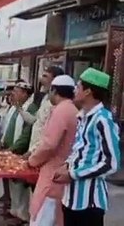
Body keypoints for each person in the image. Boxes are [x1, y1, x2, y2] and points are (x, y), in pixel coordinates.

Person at [54, 68, 120, 226]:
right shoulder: (83, 116)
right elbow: (80, 150)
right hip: (71, 198)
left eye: (78, 86)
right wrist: (66, 165)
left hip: (89, 203)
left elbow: (111, 163)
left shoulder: (103, 119)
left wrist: (73, 174)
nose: (74, 90)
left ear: (88, 91)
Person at [28, 75, 78, 226]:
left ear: (54, 91)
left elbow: (49, 145)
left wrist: (33, 160)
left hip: (52, 174)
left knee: (43, 218)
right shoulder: (73, 110)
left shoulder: (61, 111)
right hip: (63, 173)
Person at [1, 81, 38, 224]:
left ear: (25, 93)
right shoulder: (15, 107)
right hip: (10, 149)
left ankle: (22, 215)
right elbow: (7, 126)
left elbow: (26, 134)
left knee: (21, 184)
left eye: (16, 91)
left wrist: (13, 148)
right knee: (13, 183)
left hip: (21, 151)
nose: (13, 94)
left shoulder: (31, 108)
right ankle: (14, 210)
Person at [21, 66, 64, 160]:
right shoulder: (45, 99)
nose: (41, 79)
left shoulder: (56, 106)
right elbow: (35, 121)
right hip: (34, 150)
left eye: (45, 76)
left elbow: (49, 135)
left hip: (42, 153)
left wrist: (33, 151)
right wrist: (19, 109)